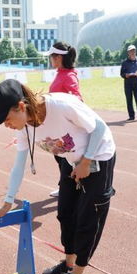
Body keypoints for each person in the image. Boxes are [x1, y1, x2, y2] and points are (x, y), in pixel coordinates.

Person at [0, 79, 116, 274]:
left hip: (98, 158)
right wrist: (8, 202)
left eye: (6, 119)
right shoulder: (24, 128)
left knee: (88, 220)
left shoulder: (61, 105)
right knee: (65, 213)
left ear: (20, 106)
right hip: (70, 160)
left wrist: (86, 162)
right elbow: (18, 165)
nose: (6, 125)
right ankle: (68, 264)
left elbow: (99, 128)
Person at [48, 41, 83, 198]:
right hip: (58, 126)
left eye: (51, 56)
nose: (50, 59)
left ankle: (69, 188)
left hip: (66, 128)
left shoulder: (68, 75)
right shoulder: (60, 73)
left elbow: (77, 97)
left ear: (58, 58)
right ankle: (66, 186)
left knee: (65, 159)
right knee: (59, 157)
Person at [120, 44, 137, 121]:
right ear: (128, 52)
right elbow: (122, 74)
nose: (133, 52)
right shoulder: (124, 63)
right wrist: (126, 75)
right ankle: (131, 116)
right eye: (131, 51)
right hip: (128, 83)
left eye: (134, 51)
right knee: (129, 100)